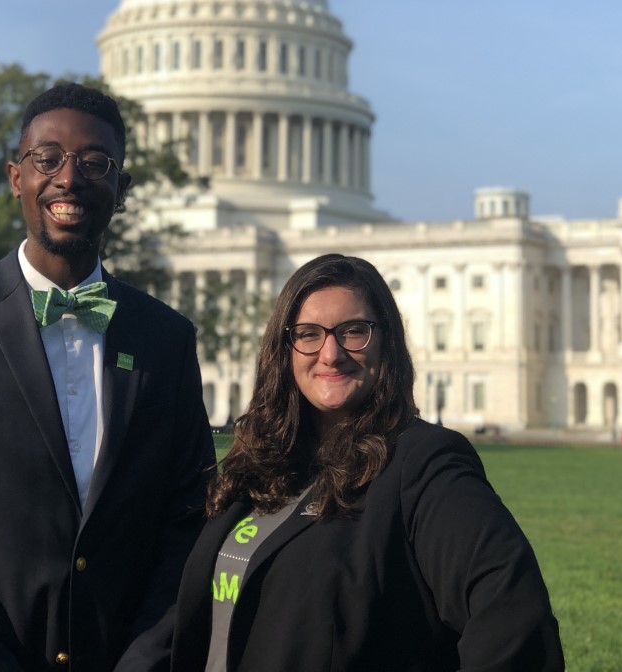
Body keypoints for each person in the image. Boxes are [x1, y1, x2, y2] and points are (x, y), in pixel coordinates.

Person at [0, 83, 215, 671]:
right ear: (15, 177)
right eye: (47, 159)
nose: (69, 179)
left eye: (95, 163)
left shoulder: (166, 340)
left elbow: (189, 525)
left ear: (121, 188)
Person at [170, 253, 564, 672]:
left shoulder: (423, 464)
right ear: (284, 349)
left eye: (354, 331)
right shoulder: (257, 463)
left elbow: (514, 617)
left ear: (386, 340)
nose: (331, 353)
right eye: (308, 334)